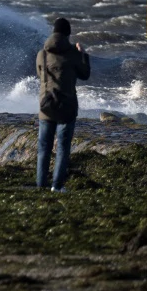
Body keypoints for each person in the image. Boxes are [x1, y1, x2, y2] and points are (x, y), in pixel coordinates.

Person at [36, 18, 90, 192]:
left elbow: (40, 74)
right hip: (66, 106)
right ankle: (57, 186)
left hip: (46, 106)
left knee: (44, 147)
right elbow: (84, 74)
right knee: (62, 148)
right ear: (68, 34)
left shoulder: (42, 54)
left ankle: (40, 184)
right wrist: (83, 54)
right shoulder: (73, 53)